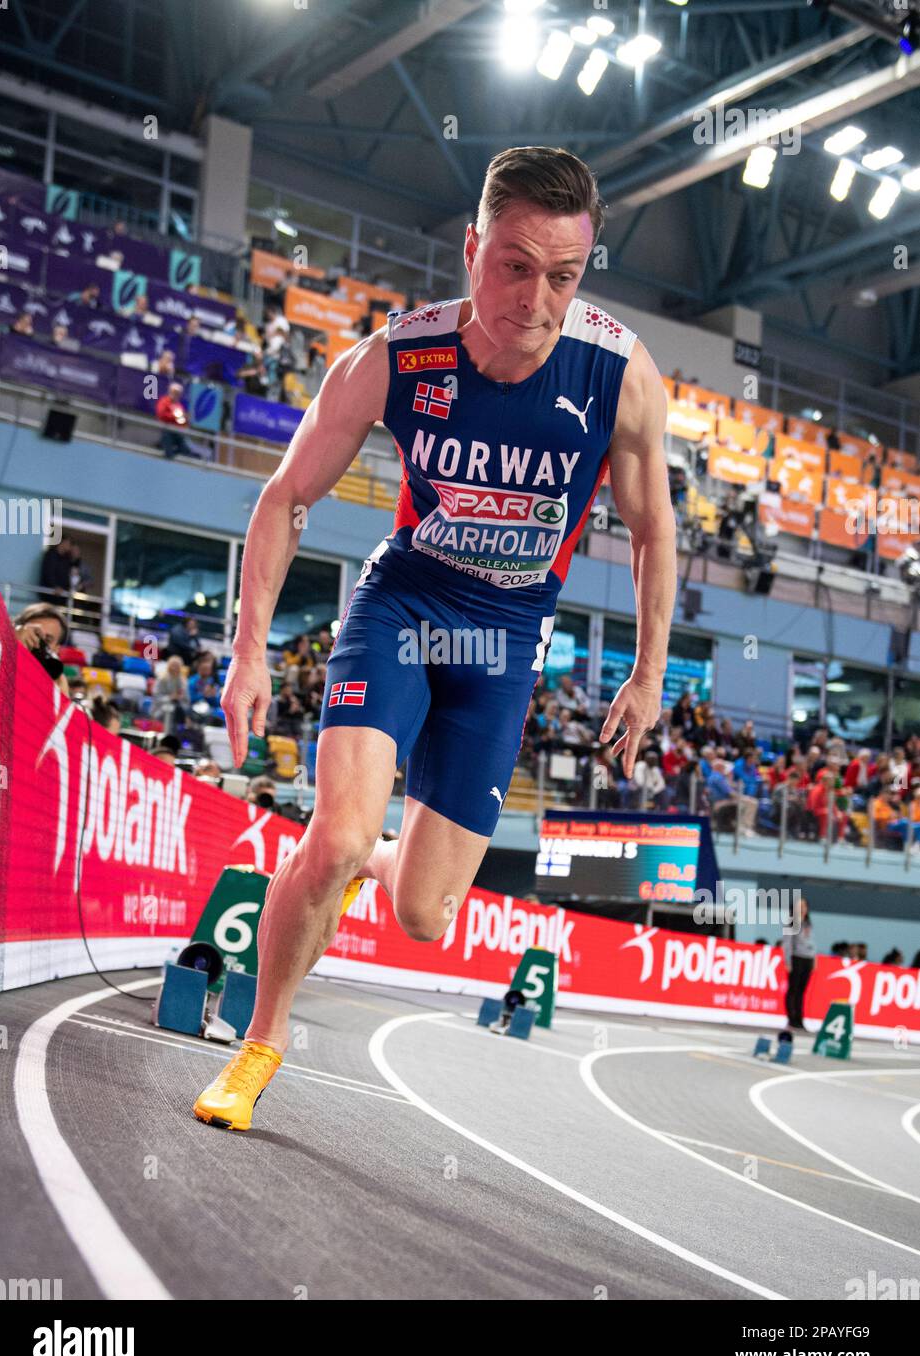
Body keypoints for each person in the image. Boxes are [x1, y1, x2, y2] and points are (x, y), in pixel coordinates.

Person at [194, 145, 678, 1131]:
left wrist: (649, 670)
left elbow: (653, 527)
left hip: (505, 645)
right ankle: (258, 1046)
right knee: (327, 841)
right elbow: (287, 497)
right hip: (406, 606)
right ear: (471, 250)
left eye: (563, 275)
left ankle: (380, 845)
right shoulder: (393, 359)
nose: (536, 299)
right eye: (512, 264)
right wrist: (248, 649)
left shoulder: (620, 375)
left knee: (423, 914)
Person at [783, 895, 816, 1030]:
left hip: (807, 959)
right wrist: (788, 961)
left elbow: (812, 943)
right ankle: (791, 1018)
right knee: (793, 990)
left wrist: (814, 959)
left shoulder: (808, 923)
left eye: (804, 906)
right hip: (796, 958)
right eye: (799, 906)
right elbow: (787, 943)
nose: (802, 909)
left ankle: (800, 1019)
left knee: (802, 991)